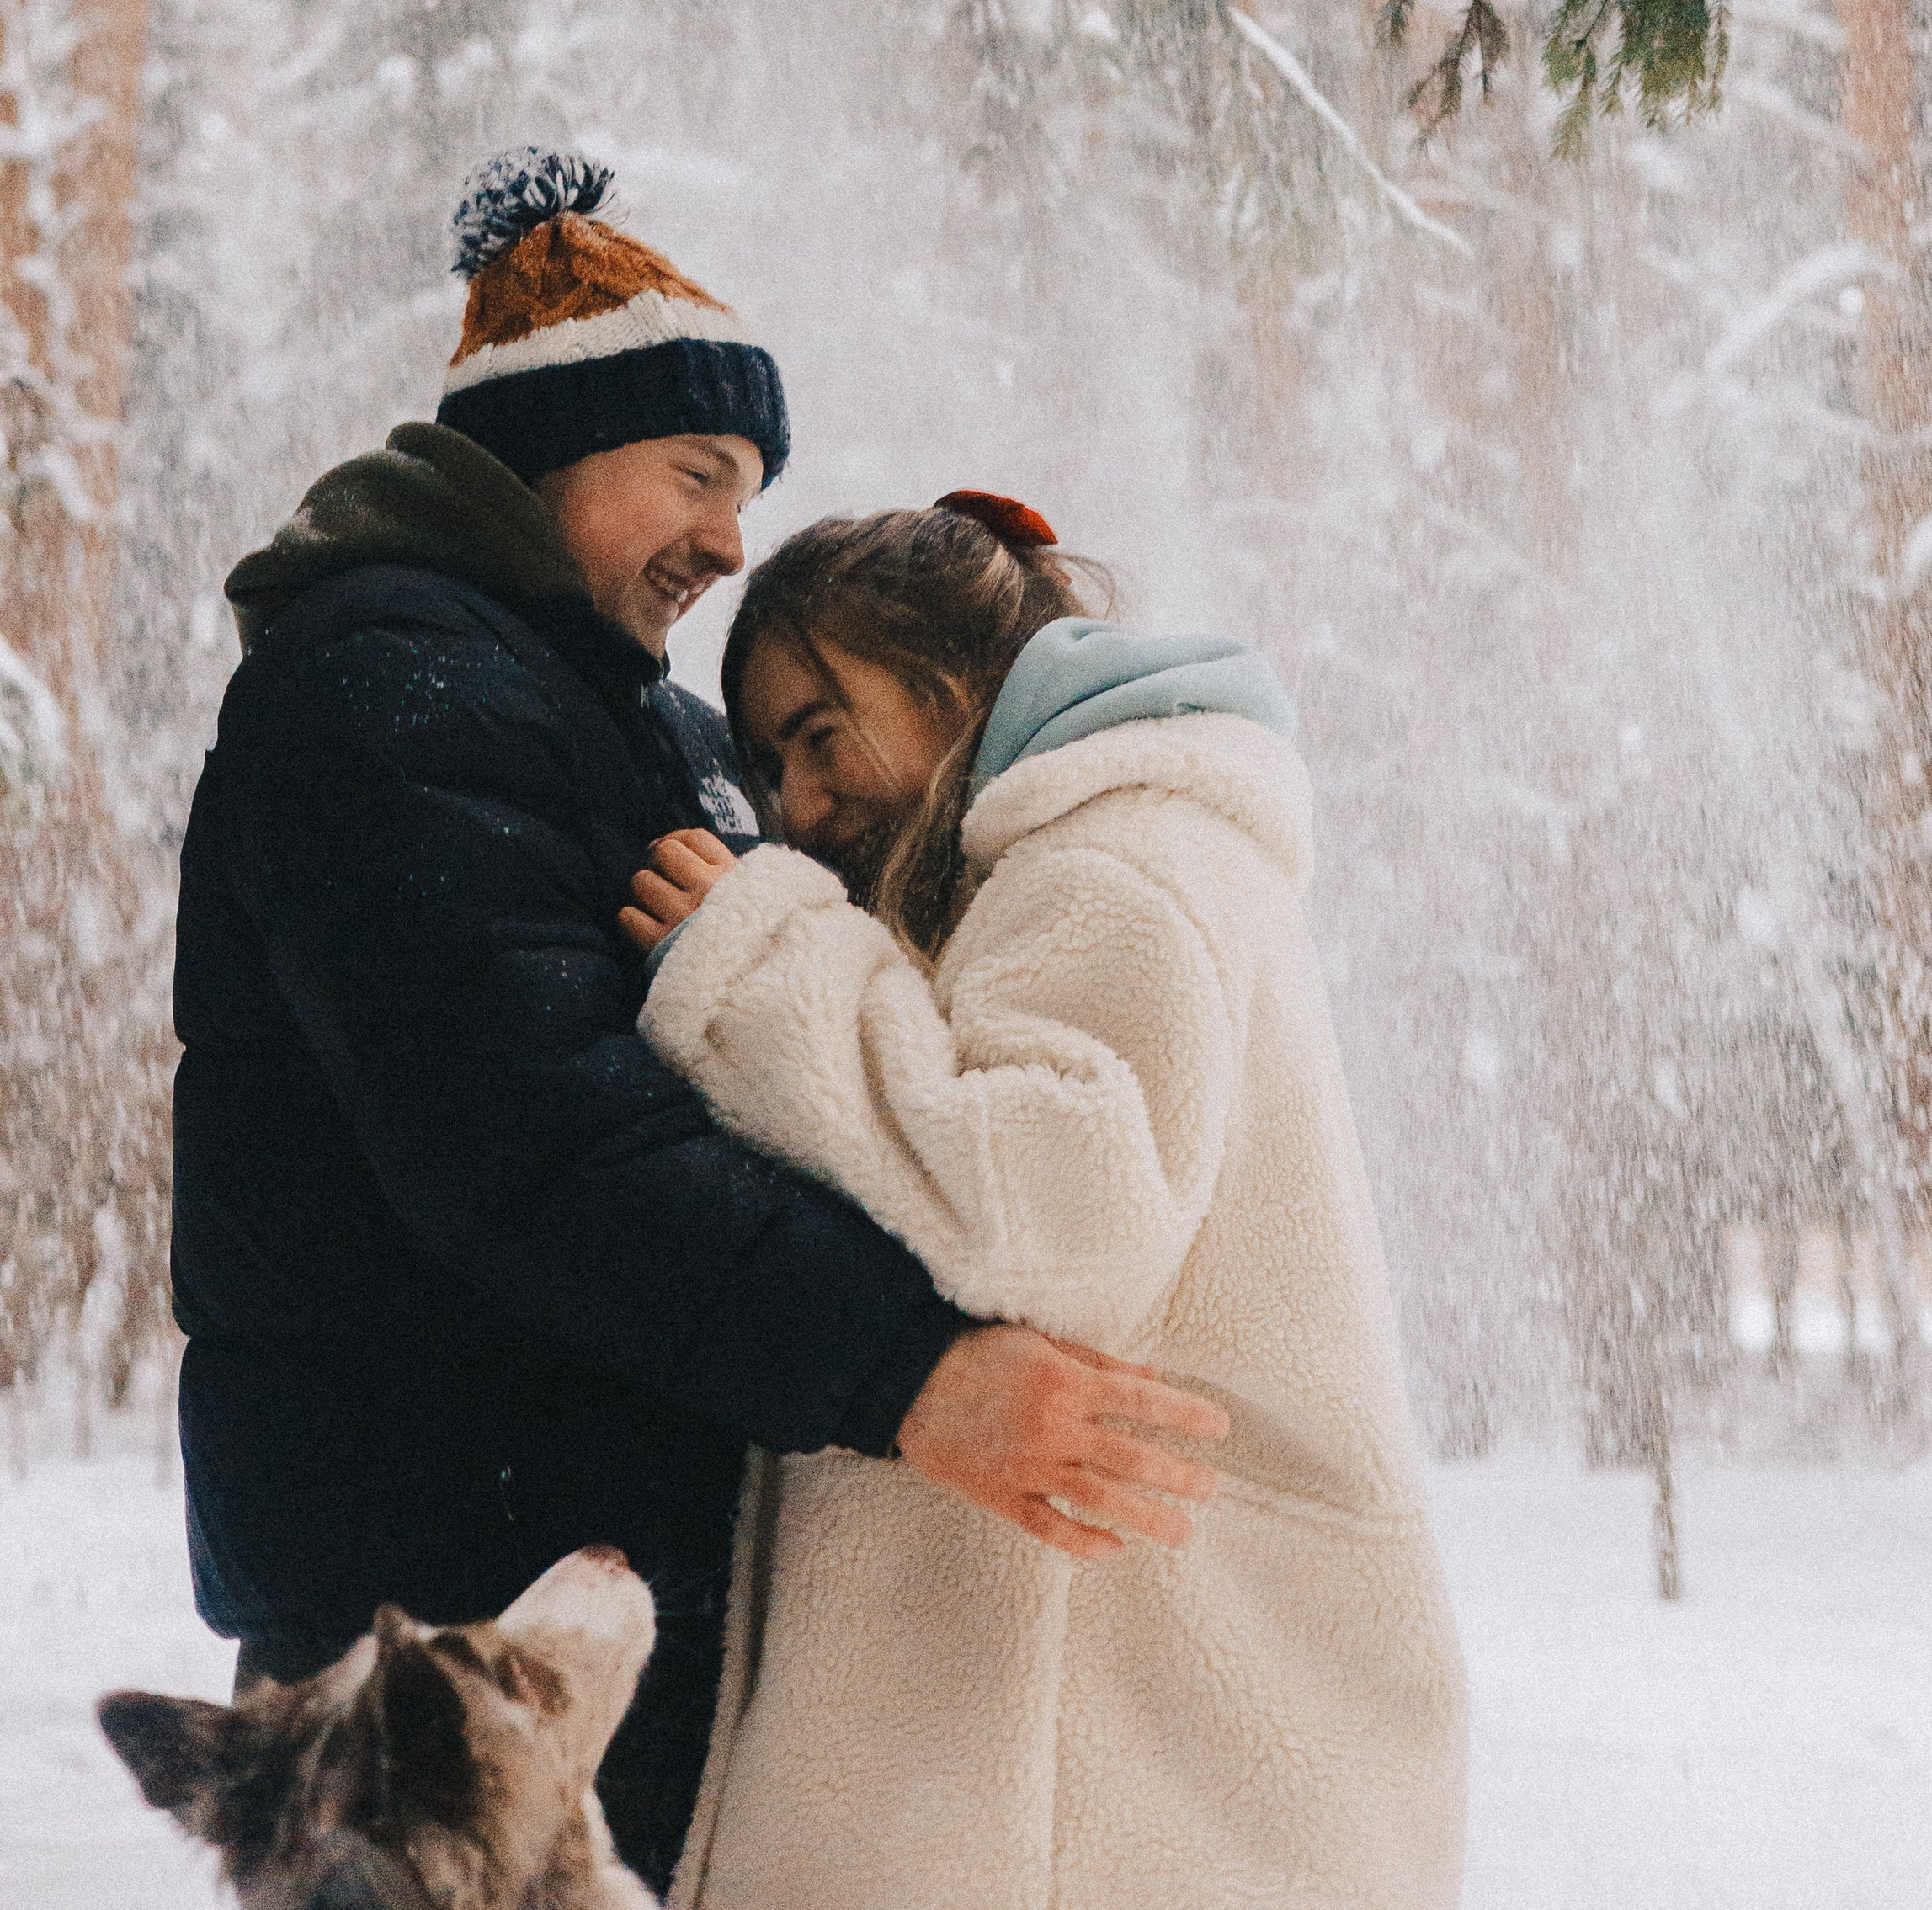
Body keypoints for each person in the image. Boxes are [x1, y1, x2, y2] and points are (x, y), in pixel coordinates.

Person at [171, 153, 1226, 1895]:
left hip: (569, 1570)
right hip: (423, 1618)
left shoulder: (620, 724)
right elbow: (539, 1139)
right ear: (551, 448)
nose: (729, 542)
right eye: (698, 475)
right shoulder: (381, 687)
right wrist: (908, 1377)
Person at [624, 496, 1469, 1910]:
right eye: (772, 767)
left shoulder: (1112, 863)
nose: (800, 807)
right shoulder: (1094, 855)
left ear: (950, 684)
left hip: (1093, 1779)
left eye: (822, 735)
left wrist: (767, 961)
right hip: (1123, 1752)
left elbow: (1056, 1217)